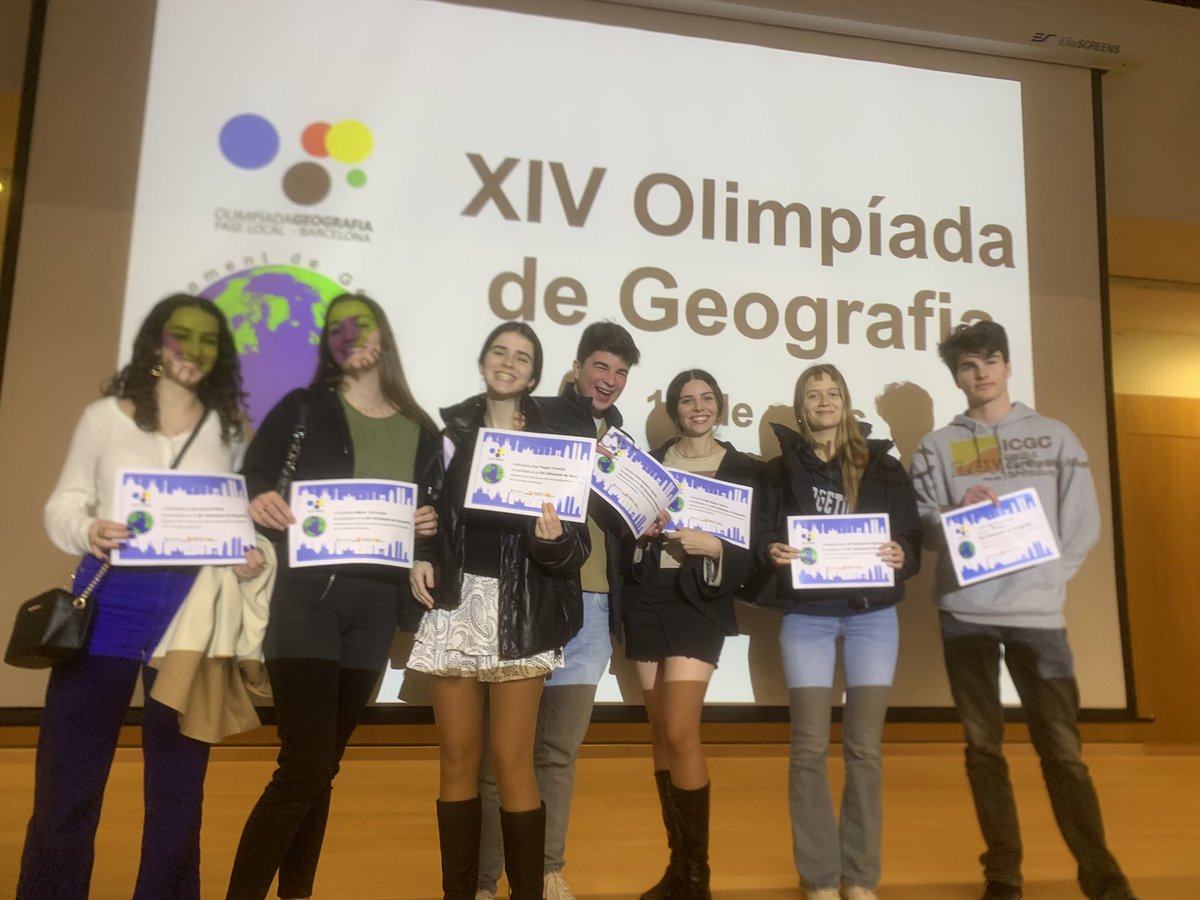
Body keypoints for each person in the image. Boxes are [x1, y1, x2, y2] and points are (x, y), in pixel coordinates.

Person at [19, 294, 261, 900]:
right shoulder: (106, 417)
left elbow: (237, 518)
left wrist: (248, 551)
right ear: (157, 342)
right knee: (68, 778)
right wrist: (87, 530)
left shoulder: (230, 428)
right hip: (107, 604)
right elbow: (63, 504)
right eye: (182, 336)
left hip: (189, 616)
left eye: (208, 339)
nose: (195, 350)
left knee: (180, 783)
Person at [909, 320, 1138, 900]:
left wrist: (1046, 580)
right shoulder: (937, 445)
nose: (980, 372)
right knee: (984, 748)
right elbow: (925, 526)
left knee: (1063, 751)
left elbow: (1082, 522)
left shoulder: (1055, 436)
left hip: (1040, 620)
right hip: (966, 613)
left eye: (989, 360)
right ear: (956, 376)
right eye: (967, 365)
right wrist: (954, 516)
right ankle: (1003, 873)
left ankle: (1100, 874)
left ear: (1008, 366)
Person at [225, 293, 442, 900]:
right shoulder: (302, 407)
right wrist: (258, 497)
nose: (349, 335)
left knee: (322, 769)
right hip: (305, 600)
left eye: (362, 324)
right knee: (305, 764)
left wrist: (428, 529)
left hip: (374, 611)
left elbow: (431, 517)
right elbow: (256, 476)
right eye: (337, 327)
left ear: (384, 337)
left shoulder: (421, 429)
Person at [406, 322, 590, 900]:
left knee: (513, 763)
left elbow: (575, 549)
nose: (508, 363)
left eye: (522, 358)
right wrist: (420, 551)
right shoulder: (449, 434)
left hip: (522, 613)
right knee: (457, 762)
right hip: (456, 607)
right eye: (499, 353)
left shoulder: (554, 440)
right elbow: (425, 513)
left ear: (534, 375)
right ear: (484, 361)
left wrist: (553, 536)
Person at [477, 320, 642, 900]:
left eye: (621, 373)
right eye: (601, 367)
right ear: (576, 368)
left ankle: (546, 868)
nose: (610, 380)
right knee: (505, 753)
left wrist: (651, 517)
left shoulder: (624, 445)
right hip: (538, 603)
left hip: (595, 613)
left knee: (558, 751)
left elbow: (624, 528)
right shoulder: (540, 417)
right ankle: (482, 877)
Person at [756, 363, 921, 900]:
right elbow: (763, 535)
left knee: (864, 749)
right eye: (813, 394)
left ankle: (861, 877)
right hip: (807, 618)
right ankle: (821, 878)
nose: (824, 401)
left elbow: (909, 535)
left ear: (846, 402)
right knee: (807, 748)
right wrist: (770, 551)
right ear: (801, 407)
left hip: (872, 617)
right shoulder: (780, 471)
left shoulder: (881, 464)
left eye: (832, 393)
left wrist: (904, 553)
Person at [624, 369, 761, 900]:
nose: (697, 407)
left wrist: (718, 548)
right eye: (687, 400)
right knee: (659, 734)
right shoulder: (651, 464)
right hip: (646, 597)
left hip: (698, 601)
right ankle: (677, 868)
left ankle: (698, 876)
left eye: (706, 399)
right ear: (675, 409)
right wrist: (639, 528)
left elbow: (752, 550)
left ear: (720, 406)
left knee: (681, 731)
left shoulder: (744, 469)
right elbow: (624, 531)